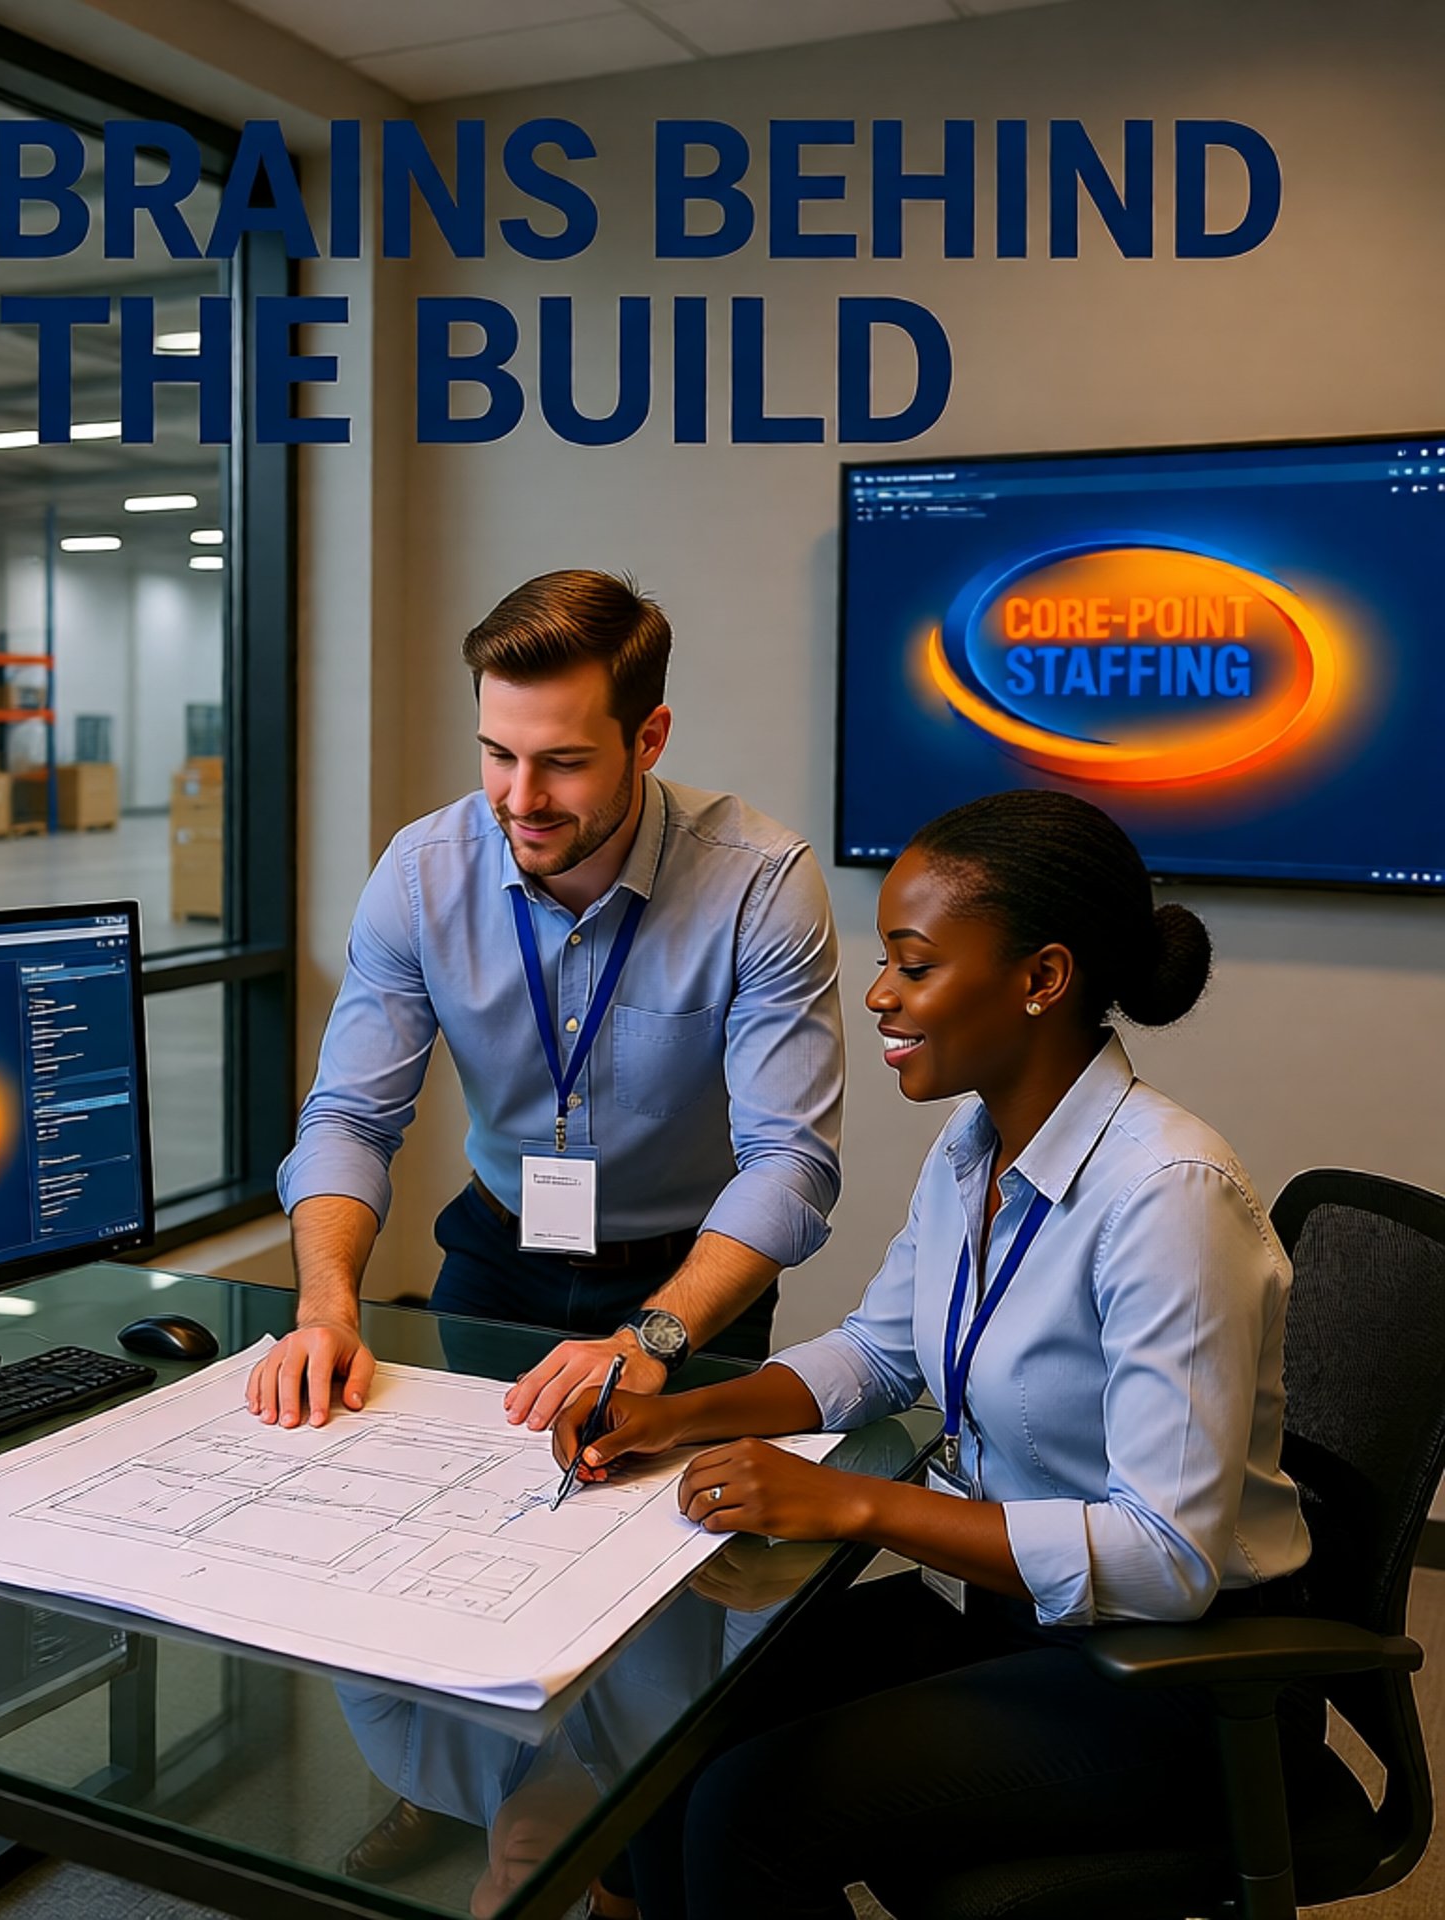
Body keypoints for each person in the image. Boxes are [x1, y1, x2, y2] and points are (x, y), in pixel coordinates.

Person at [550, 788, 1313, 1919]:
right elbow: (878, 1352)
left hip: (1171, 1684)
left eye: (913, 965)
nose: (879, 994)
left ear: (1040, 979)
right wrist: (684, 1412)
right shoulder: (976, 1146)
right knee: (676, 1732)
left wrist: (851, 1507)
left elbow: (1168, 1558)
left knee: (749, 1809)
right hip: (1011, 1625)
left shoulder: (1167, 1196)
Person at [251, 569, 843, 1432]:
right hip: (495, 1254)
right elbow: (348, 1118)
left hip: (686, 1285)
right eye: (498, 755)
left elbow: (789, 1162)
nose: (520, 800)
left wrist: (649, 1339)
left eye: (563, 763)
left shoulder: (760, 883)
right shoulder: (422, 875)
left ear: (649, 738)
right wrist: (327, 1311)